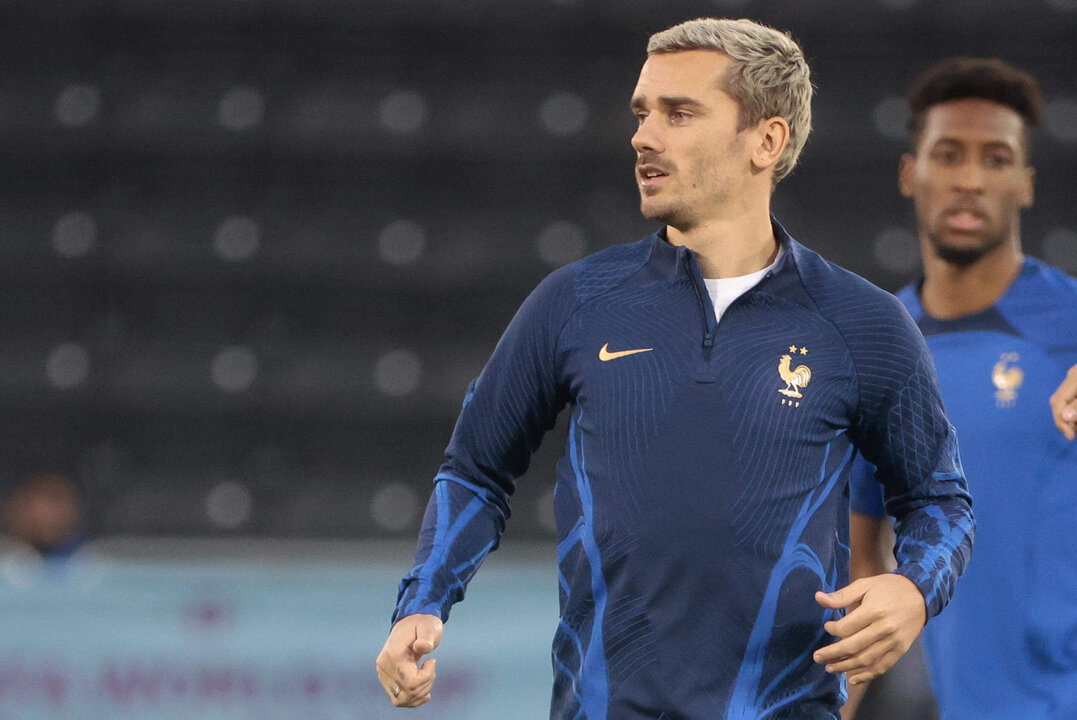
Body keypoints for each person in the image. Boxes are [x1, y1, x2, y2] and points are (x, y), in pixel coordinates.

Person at [376, 18, 976, 720]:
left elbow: (939, 500)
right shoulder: (576, 302)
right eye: (641, 112)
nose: (643, 135)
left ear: (766, 140)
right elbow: (476, 468)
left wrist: (912, 590)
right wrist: (422, 602)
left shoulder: (862, 323)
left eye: (679, 113)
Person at [847, 57, 1077, 720]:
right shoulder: (874, 347)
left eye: (995, 158)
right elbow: (861, 566)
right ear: (908, 173)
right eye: (948, 155)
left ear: (1025, 184)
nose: (970, 180)